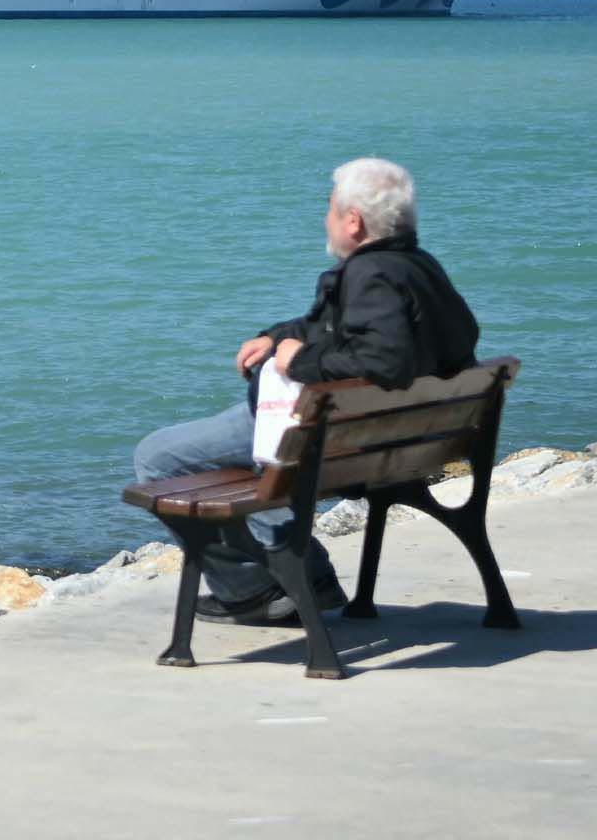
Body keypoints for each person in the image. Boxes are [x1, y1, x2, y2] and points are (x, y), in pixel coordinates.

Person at [131, 158, 480, 623]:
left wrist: (297, 361)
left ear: (353, 221)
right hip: (394, 440)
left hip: (322, 435)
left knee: (157, 457)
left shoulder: (370, 275)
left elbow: (384, 361)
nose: (325, 219)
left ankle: (252, 590)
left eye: (330, 209)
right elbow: (361, 331)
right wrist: (277, 337)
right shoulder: (419, 268)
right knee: (249, 464)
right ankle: (303, 577)